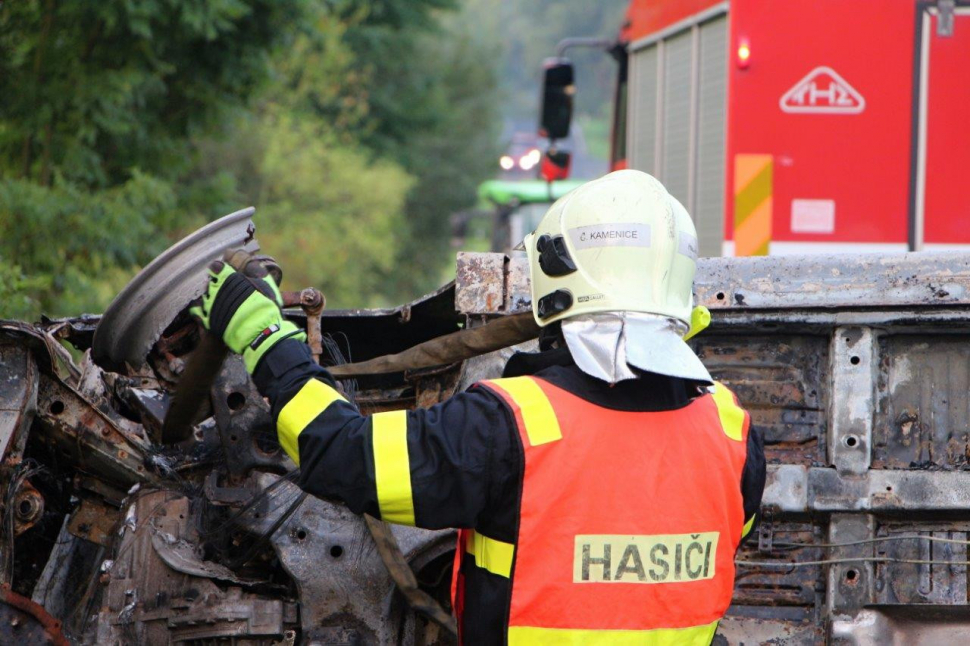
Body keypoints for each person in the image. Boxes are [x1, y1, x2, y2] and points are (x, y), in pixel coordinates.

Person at [193, 169, 766, 645]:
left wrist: (266, 336)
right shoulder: (735, 436)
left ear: (557, 281)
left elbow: (340, 452)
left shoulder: (510, 429)